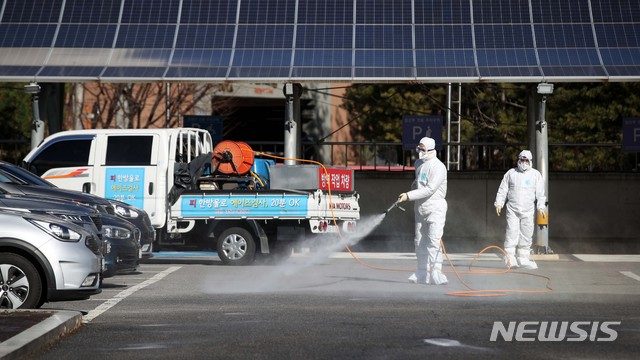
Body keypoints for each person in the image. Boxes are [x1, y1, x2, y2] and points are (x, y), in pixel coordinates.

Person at [397, 136, 448, 285]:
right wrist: (412, 188)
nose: (419, 151)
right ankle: (421, 272)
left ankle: (436, 272)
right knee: (419, 241)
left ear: (431, 150)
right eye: (419, 148)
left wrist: (409, 195)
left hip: (435, 208)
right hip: (420, 207)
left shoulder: (438, 167)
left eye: (422, 149)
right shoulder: (418, 163)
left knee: (433, 241)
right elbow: (418, 181)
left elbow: (430, 189)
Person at [494, 150, 546, 270]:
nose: (523, 162)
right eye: (522, 160)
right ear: (518, 160)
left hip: (528, 210)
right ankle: (509, 257)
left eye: (526, 160)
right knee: (512, 232)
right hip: (512, 210)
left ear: (530, 161)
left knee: (526, 234)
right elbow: (503, 189)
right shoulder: (511, 173)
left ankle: (523, 257)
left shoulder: (535, 175)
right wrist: (499, 203)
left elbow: (540, 193)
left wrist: (541, 206)